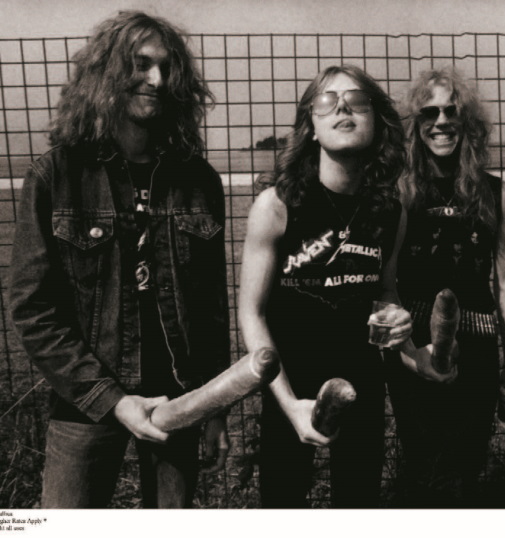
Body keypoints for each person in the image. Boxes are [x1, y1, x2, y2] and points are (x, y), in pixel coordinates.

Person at [9, 11, 231, 508]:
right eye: (140, 64)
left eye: (167, 67)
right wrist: (111, 398)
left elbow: (211, 310)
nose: (157, 79)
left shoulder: (199, 180)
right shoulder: (56, 176)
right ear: (106, 72)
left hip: (180, 398)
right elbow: (33, 309)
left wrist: (215, 407)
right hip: (86, 402)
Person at [239, 64, 451, 508]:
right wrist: (288, 403)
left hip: (363, 386)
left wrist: (403, 333)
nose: (342, 109)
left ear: (376, 123)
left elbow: (385, 291)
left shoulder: (390, 211)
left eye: (356, 101)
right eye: (326, 101)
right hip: (290, 384)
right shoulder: (277, 206)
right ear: (311, 127)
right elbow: (252, 314)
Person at [384, 67, 505, 507]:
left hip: (477, 343)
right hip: (413, 345)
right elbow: (385, 283)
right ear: (414, 124)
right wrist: (406, 350)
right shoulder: (396, 192)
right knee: (425, 466)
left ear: (468, 121)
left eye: (451, 111)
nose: (441, 121)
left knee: (467, 463)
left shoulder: (500, 194)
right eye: (429, 113)